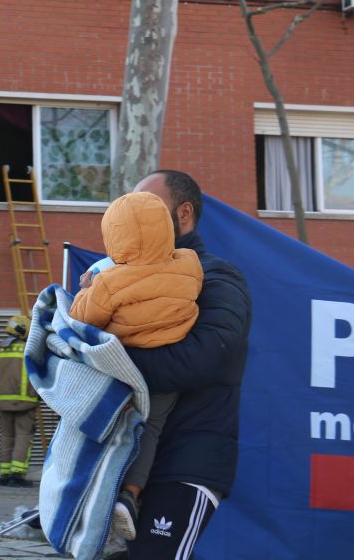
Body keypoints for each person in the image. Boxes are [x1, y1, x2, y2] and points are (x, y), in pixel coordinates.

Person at [115, 170, 252, 560]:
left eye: (149, 208)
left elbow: (208, 356)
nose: (137, 218)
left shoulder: (217, 276)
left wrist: (119, 365)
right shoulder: (125, 278)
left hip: (186, 463)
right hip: (126, 462)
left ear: (184, 214)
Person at [67, 191, 203, 542]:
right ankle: (130, 494)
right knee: (152, 430)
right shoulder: (188, 263)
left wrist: (87, 289)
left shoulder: (110, 281)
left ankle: (94, 495)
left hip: (124, 368)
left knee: (111, 431)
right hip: (169, 368)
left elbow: (82, 319)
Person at [0, 313, 39, 488]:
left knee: (6, 437)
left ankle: (4, 474)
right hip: (26, 402)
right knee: (23, 437)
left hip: (3, 402)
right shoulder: (29, 350)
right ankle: (17, 474)